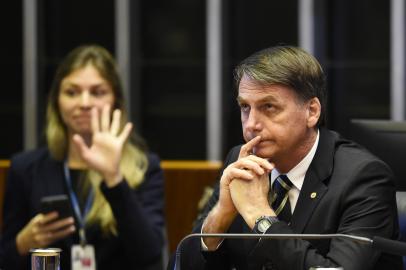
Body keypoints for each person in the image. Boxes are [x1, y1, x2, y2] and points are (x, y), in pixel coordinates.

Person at [175, 45, 403, 270]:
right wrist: (220, 217)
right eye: (245, 107)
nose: (251, 124)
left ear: (312, 111)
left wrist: (260, 216)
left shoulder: (363, 177)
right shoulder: (241, 161)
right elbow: (179, 265)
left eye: (269, 107)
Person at [1, 45, 165, 270]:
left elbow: (151, 256)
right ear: (56, 102)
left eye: (97, 92)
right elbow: (5, 258)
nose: (84, 103)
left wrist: (113, 178)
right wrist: (23, 243)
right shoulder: (25, 169)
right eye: (72, 92)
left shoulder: (145, 167)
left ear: (115, 101)